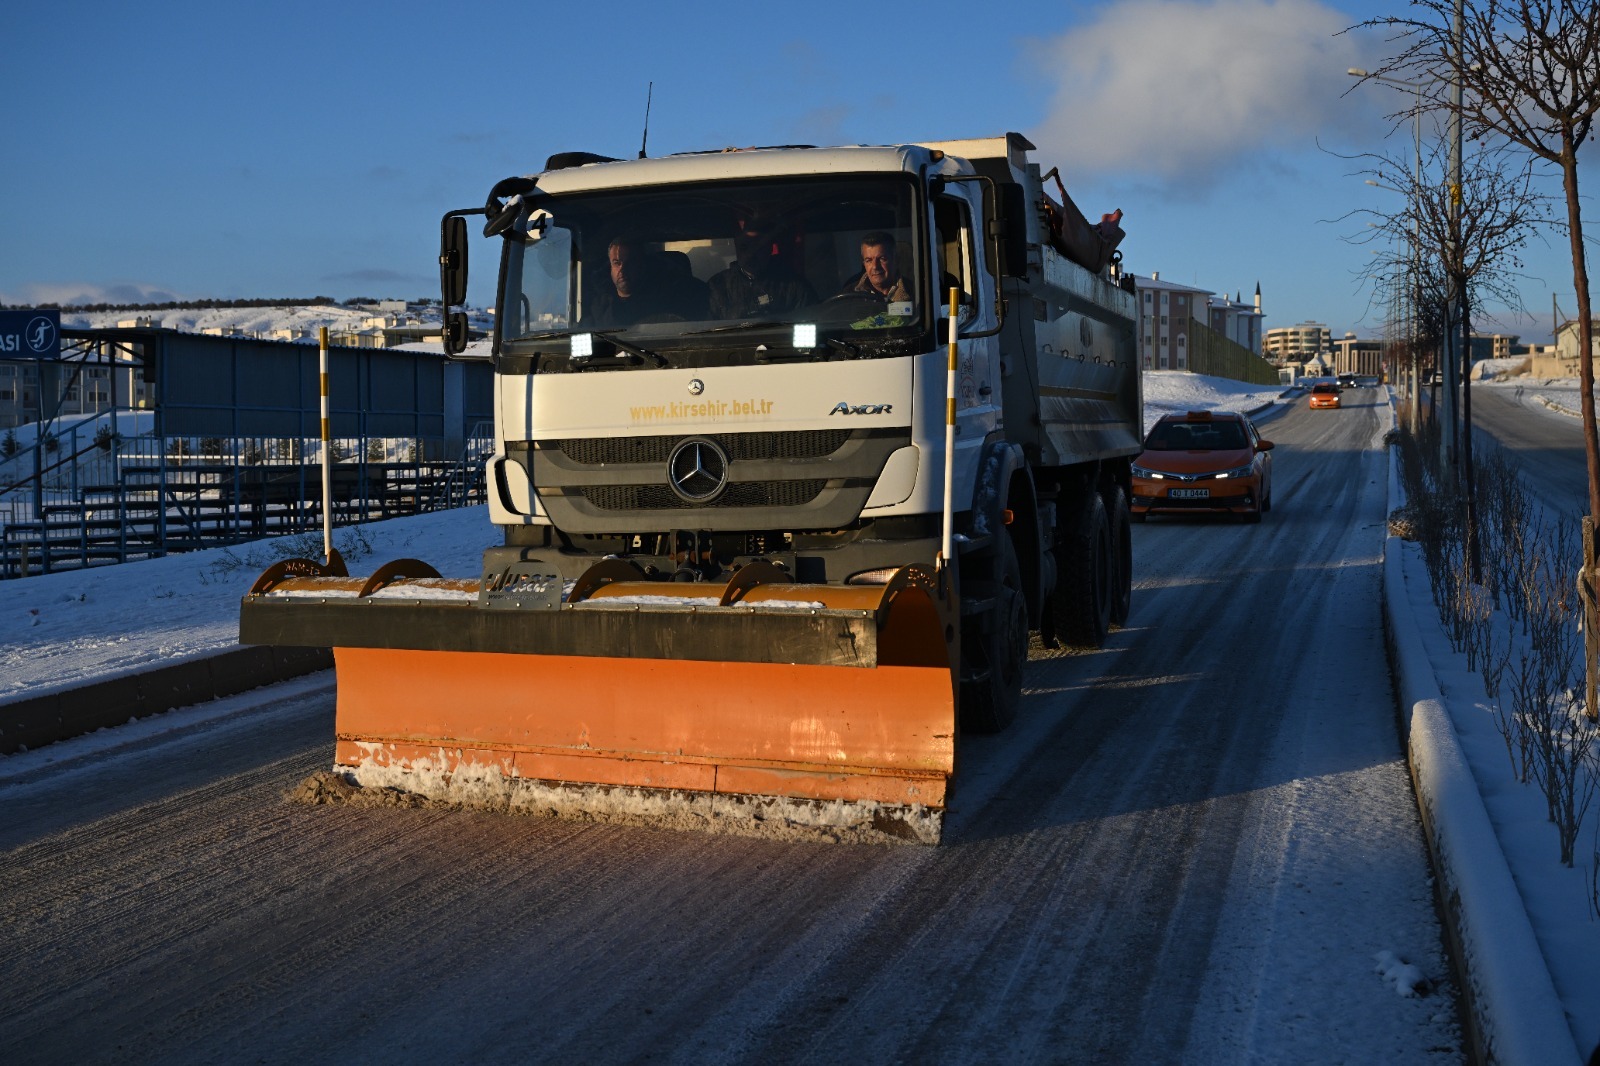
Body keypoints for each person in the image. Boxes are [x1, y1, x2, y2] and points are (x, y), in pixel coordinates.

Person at [708, 218, 817, 320]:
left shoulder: (793, 286)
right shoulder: (718, 286)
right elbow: (707, 333)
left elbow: (810, 325)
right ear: (736, 248)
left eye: (758, 247)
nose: (750, 254)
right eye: (744, 247)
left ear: (770, 248)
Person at [587, 236, 707, 326]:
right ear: (610, 268)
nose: (622, 269)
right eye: (617, 263)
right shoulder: (599, 307)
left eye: (630, 263)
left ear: (642, 265)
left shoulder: (671, 298)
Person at [842, 231, 912, 303]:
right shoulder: (849, 295)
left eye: (882, 259)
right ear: (864, 263)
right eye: (869, 260)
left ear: (896, 260)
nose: (875, 266)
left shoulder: (915, 292)